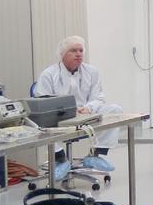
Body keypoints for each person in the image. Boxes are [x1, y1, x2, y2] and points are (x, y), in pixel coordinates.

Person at [35, 36, 124, 178]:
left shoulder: (92, 71)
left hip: (85, 113)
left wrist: (88, 108)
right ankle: (60, 159)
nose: (78, 54)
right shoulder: (48, 75)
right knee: (40, 123)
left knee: (115, 110)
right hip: (59, 117)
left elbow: (98, 97)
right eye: (73, 50)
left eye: (81, 50)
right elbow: (42, 102)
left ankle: (95, 154)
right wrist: (67, 110)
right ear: (62, 54)